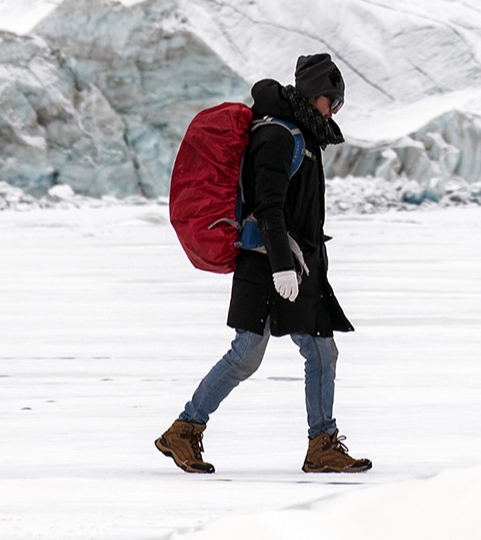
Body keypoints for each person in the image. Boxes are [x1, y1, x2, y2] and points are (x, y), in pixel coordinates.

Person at [155, 53, 373, 476]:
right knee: (250, 355)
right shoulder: (277, 134)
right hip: (268, 262)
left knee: (317, 350)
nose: (335, 110)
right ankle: (186, 428)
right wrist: (280, 267)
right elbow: (268, 206)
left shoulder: (303, 136)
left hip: (294, 262)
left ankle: (319, 443)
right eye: (333, 101)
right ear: (315, 94)